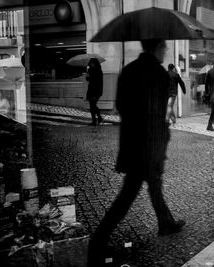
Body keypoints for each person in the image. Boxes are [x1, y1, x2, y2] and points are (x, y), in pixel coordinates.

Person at [88, 39, 185, 266]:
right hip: (149, 147)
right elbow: (157, 114)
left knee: (153, 186)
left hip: (134, 144)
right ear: (156, 48)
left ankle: (165, 222)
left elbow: (121, 105)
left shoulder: (129, 71)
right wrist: (161, 136)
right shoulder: (158, 74)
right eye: (164, 47)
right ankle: (99, 238)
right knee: (128, 195)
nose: (166, 51)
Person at [86, 58, 103, 126]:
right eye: (91, 63)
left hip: (96, 91)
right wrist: (88, 78)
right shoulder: (90, 70)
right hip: (91, 90)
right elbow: (91, 80)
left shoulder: (99, 71)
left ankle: (95, 120)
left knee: (92, 106)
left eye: (93, 63)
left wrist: (98, 93)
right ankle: (98, 118)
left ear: (96, 63)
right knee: (92, 106)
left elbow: (98, 82)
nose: (92, 64)